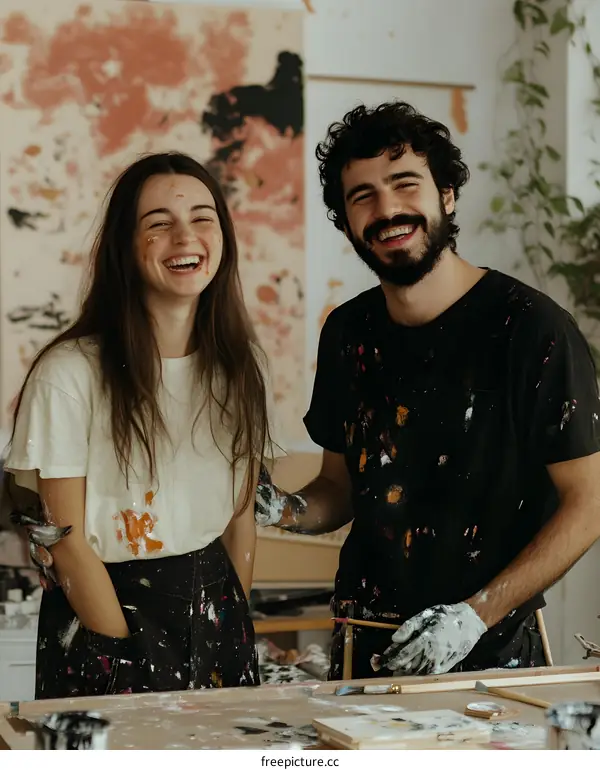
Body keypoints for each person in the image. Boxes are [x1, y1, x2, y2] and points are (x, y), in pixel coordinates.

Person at [255, 101, 600, 680]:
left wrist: (473, 615)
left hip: (489, 654)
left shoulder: (532, 330)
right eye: (362, 195)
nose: (386, 209)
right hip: (362, 645)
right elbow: (339, 488)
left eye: (404, 184)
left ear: (447, 194)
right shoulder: (347, 333)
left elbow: (588, 504)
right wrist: (284, 509)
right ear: (345, 220)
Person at [3, 151, 281, 699]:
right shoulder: (69, 372)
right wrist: (124, 657)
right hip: (106, 613)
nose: (186, 236)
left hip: (218, 606)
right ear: (126, 248)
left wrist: (232, 618)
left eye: (203, 218)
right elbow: (66, 542)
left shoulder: (242, 366)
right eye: (160, 223)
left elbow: (240, 519)